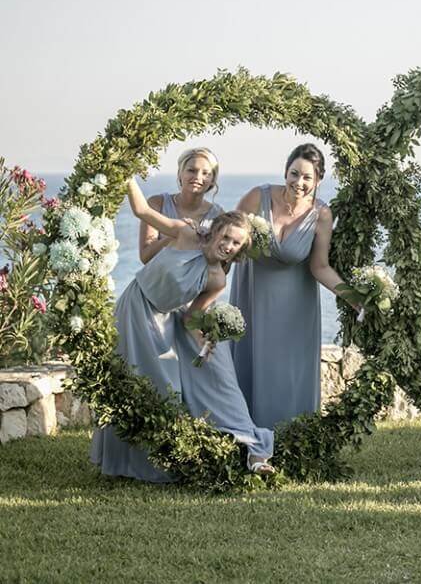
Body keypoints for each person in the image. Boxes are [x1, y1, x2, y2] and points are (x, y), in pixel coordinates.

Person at [90, 178, 274, 481]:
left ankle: (155, 464)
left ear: (242, 248)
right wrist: (125, 175)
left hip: (163, 322)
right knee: (126, 378)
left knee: (160, 388)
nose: (228, 246)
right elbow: (141, 211)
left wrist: (208, 341)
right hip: (134, 306)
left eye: (236, 243)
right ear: (215, 231)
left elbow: (191, 318)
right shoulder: (184, 233)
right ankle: (119, 463)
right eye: (226, 237)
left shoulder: (217, 279)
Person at [230, 143, 354, 429]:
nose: (299, 182)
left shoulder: (322, 214)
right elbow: (226, 241)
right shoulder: (255, 198)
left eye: (307, 177)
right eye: (294, 173)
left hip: (295, 309)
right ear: (285, 172)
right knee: (247, 369)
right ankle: (244, 439)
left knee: (288, 375)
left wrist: (356, 299)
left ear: (318, 180)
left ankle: (290, 440)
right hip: (252, 300)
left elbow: (320, 266)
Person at [139, 147, 224, 263]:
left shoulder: (218, 216)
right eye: (191, 170)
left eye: (206, 173)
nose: (198, 177)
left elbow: (223, 267)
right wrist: (178, 233)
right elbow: (146, 257)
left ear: (213, 180)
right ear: (180, 173)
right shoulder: (157, 204)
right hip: (159, 280)